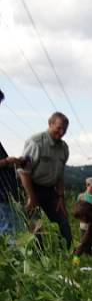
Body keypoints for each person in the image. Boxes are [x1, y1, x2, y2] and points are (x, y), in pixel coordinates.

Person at [18, 112, 72, 248]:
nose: (61, 132)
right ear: (50, 123)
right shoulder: (36, 142)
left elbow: (60, 175)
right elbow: (24, 172)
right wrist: (31, 197)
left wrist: (60, 197)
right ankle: (39, 260)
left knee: (63, 221)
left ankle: (67, 255)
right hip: (30, 187)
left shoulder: (64, 148)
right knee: (36, 228)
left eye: (64, 130)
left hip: (50, 190)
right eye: (58, 128)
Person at [0, 89, 28, 237]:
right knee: (11, 236)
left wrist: (14, 162)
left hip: (8, 195)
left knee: (16, 234)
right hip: (2, 198)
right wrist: (7, 161)